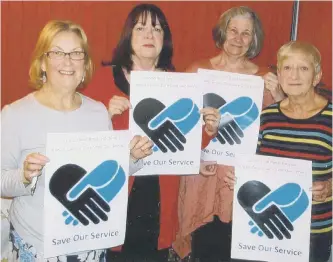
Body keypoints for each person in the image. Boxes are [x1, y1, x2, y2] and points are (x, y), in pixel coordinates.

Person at [1, 20, 153, 261]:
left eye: (76, 53)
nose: (68, 61)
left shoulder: (98, 112)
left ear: (85, 65)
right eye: (57, 53)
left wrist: (132, 157)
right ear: (42, 62)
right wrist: (24, 175)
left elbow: (108, 174)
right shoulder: (15, 114)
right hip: (37, 249)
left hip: (90, 246)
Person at [82, 3, 220, 261]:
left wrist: (208, 130)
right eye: (141, 28)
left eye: (156, 29)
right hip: (113, 192)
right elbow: (80, 138)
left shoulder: (178, 82)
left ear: (164, 39)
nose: (149, 35)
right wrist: (104, 115)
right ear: (128, 35)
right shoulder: (103, 79)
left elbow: (186, 145)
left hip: (158, 195)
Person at [172, 6, 285, 261]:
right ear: (222, 32)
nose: (238, 38)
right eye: (233, 30)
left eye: (246, 33)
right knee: (203, 249)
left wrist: (277, 96)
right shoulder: (197, 71)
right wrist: (193, 161)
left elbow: (274, 134)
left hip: (240, 181)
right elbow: (181, 130)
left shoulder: (264, 80)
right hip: (202, 176)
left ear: (254, 39)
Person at [226, 41, 332, 262]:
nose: (294, 76)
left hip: (313, 233)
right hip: (263, 227)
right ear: (279, 75)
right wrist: (238, 176)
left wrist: (331, 187)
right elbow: (254, 164)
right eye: (287, 68)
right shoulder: (266, 116)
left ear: (317, 75)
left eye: (303, 68)